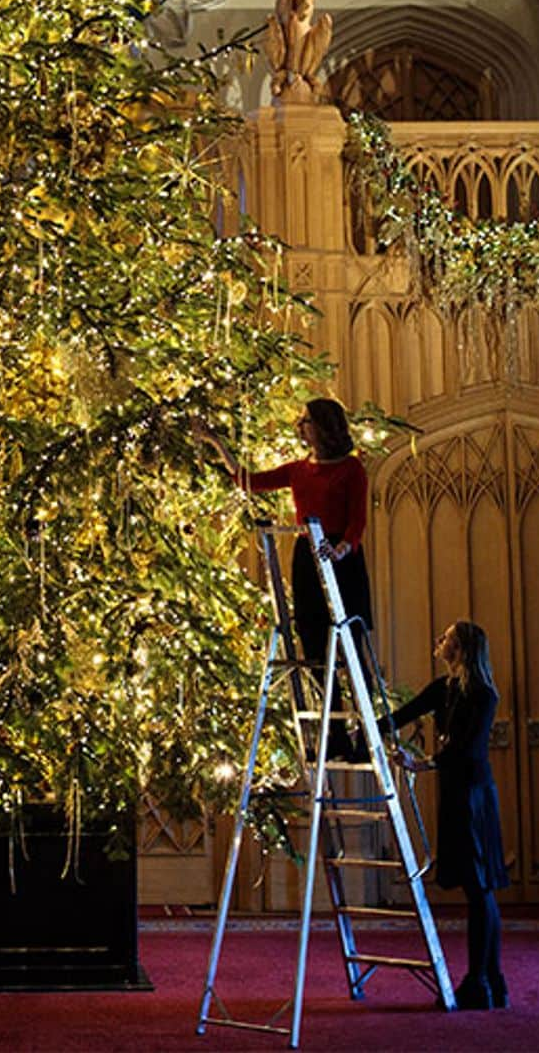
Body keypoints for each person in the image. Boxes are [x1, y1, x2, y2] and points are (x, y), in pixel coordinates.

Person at [196, 397, 373, 757]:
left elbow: (357, 521)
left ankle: (366, 736)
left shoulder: (352, 469)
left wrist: (342, 549)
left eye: (307, 420)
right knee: (313, 646)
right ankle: (335, 733)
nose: (300, 426)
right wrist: (216, 442)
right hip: (308, 558)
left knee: (350, 646)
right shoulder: (297, 470)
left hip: (341, 558)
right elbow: (248, 481)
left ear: (323, 426)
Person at [389, 621, 510, 1010]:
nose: (439, 641)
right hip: (459, 793)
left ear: (461, 649)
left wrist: (421, 764)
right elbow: (405, 713)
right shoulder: (445, 690)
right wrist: (363, 735)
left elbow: (468, 750)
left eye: (446, 638)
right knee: (478, 890)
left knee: (480, 889)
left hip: (474, 797)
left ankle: (481, 980)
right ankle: (490, 981)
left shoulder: (483, 694)